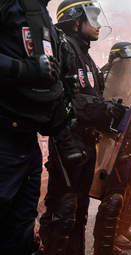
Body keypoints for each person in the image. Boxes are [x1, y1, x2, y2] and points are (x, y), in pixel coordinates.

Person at [39, 1, 125, 254]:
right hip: (68, 137)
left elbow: (91, 97)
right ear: (76, 19)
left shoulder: (86, 56)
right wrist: (96, 108)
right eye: (93, 18)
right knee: (62, 208)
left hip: (88, 139)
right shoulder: (61, 45)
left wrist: (109, 110)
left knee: (79, 207)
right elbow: (56, 92)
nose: (98, 24)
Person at [0, 0, 76, 253]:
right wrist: (21, 69)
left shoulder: (43, 15)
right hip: (3, 137)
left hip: (27, 142)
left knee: (23, 237)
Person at [93, 42, 131, 255]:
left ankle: (119, 232)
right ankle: (104, 247)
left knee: (126, 193)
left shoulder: (130, 83)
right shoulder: (109, 81)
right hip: (115, 147)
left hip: (130, 148)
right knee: (112, 199)